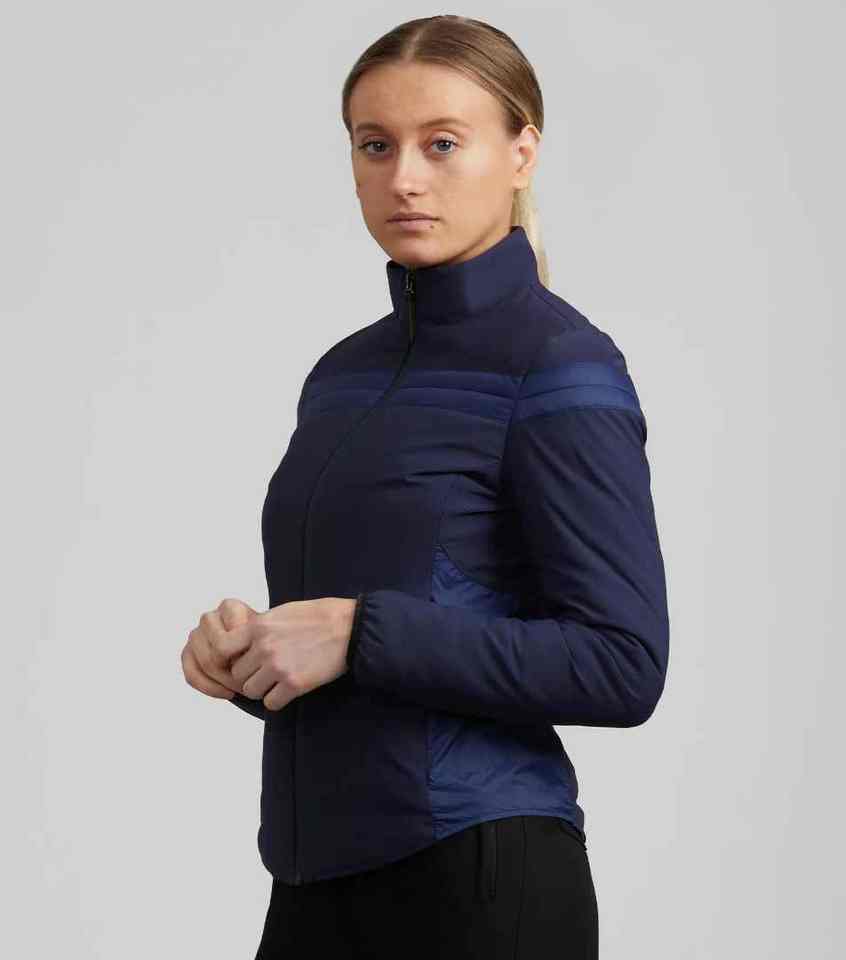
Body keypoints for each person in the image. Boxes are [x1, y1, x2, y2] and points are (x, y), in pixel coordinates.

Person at [181, 14, 670, 959]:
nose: (404, 177)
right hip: (315, 883)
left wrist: (358, 633)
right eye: (376, 145)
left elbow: (622, 663)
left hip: (479, 882)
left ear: (522, 152)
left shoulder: (561, 365)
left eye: (442, 143)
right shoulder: (342, 375)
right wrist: (256, 658)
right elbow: (372, 641)